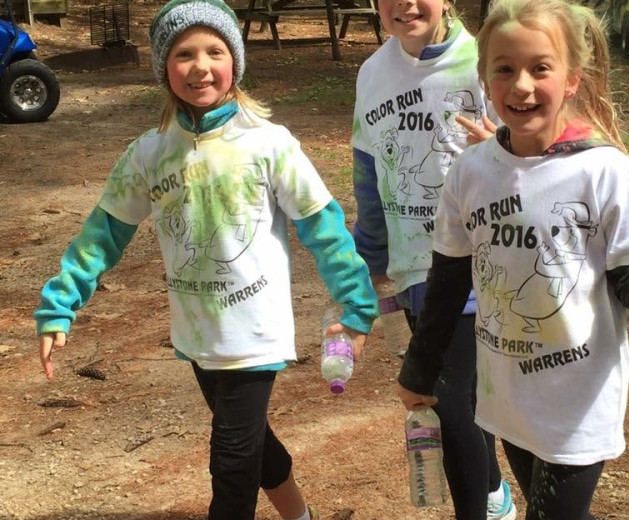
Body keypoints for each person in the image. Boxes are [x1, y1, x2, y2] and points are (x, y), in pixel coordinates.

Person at [33, 1, 378, 519]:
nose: (200, 66)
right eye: (184, 53)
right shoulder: (150, 154)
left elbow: (323, 227)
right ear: (163, 68)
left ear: (234, 62)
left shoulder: (269, 144)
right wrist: (61, 303)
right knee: (255, 447)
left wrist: (356, 304)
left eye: (215, 51)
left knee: (232, 467)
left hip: (255, 334)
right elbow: (102, 234)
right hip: (197, 337)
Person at [396, 0, 629, 519]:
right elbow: (448, 280)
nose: (521, 85)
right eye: (505, 69)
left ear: (570, 79)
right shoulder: (471, 171)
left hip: (576, 398)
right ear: (485, 79)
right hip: (506, 394)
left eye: (540, 68)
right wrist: (420, 368)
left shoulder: (605, 172)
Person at [349, 0, 516, 518]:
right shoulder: (372, 73)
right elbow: (369, 178)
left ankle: (481, 506)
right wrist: (369, 264)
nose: (405, 4)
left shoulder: (485, 61)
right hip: (414, 269)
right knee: (459, 399)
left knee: (447, 401)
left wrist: (504, 151)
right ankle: (494, 495)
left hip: (483, 265)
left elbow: (541, 150)